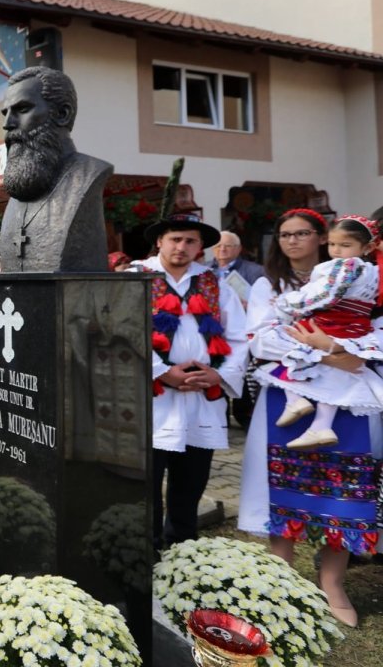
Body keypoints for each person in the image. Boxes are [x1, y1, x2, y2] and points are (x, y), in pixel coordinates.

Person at [238, 208, 379, 628]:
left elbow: (378, 333)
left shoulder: (363, 277)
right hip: (288, 396)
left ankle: (332, 582)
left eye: (302, 233)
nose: (292, 241)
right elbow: (261, 339)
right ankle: (279, 581)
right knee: (284, 488)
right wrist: (326, 349)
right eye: (283, 234)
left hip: (350, 394)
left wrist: (339, 348)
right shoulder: (270, 285)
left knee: (344, 487)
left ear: (322, 237)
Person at [131, 213, 248, 551]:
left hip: (201, 398)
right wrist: (161, 371)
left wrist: (218, 374)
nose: (181, 247)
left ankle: (183, 550)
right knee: (145, 485)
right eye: (175, 239)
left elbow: (239, 336)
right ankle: (146, 551)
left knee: (191, 481)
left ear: (200, 247)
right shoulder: (135, 277)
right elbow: (121, 332)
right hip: (150, 399)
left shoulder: (214, 282)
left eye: (190, 241)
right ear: (159, 241)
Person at [257, 215, 383, 449]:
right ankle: (318, 423)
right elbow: (257, 339)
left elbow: (325, 296)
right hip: (353, 331)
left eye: (345, 245)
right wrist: (332, 353)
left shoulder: (344, 267)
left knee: (290, 347)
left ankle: (299, 405)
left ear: (367, 247)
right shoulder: (373, 271)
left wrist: (288, 304)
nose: (337, 251)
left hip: (332, 325)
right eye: (333, 244)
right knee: (332, 377)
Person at [0, 67, 113, 272]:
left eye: (22, 109)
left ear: (62, 114)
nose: (8, 124)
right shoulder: (18, 188)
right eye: (5, 113)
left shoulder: (88, 176)